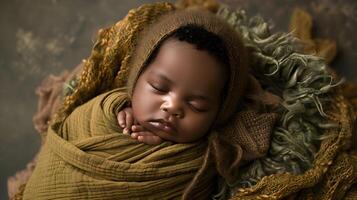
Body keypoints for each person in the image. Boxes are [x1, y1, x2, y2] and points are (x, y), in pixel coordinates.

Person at [21, 3, 277, 199]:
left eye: (197, 105)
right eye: (158, 87)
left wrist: (162, 149)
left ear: (220, 113)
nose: (173, 107)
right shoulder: (97, 113)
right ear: (135, 80)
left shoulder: (205, 161)